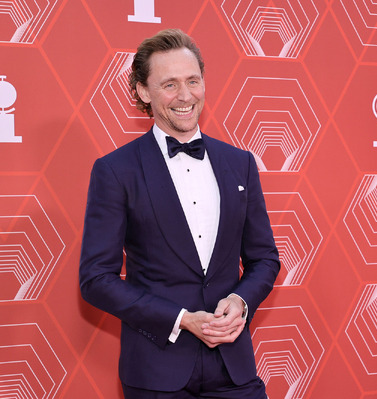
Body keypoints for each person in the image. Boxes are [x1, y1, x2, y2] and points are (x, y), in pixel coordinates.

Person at [79, 28, 280, 398]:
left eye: (193, 81)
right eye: (169, 84)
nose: (185, 95)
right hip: (157, 371)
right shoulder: (116, 170)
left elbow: (264, 258)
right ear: (143, 92)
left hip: (233, 367)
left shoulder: (240, 164)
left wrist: (241, 300)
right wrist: (182, 320)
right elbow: (95, 278)